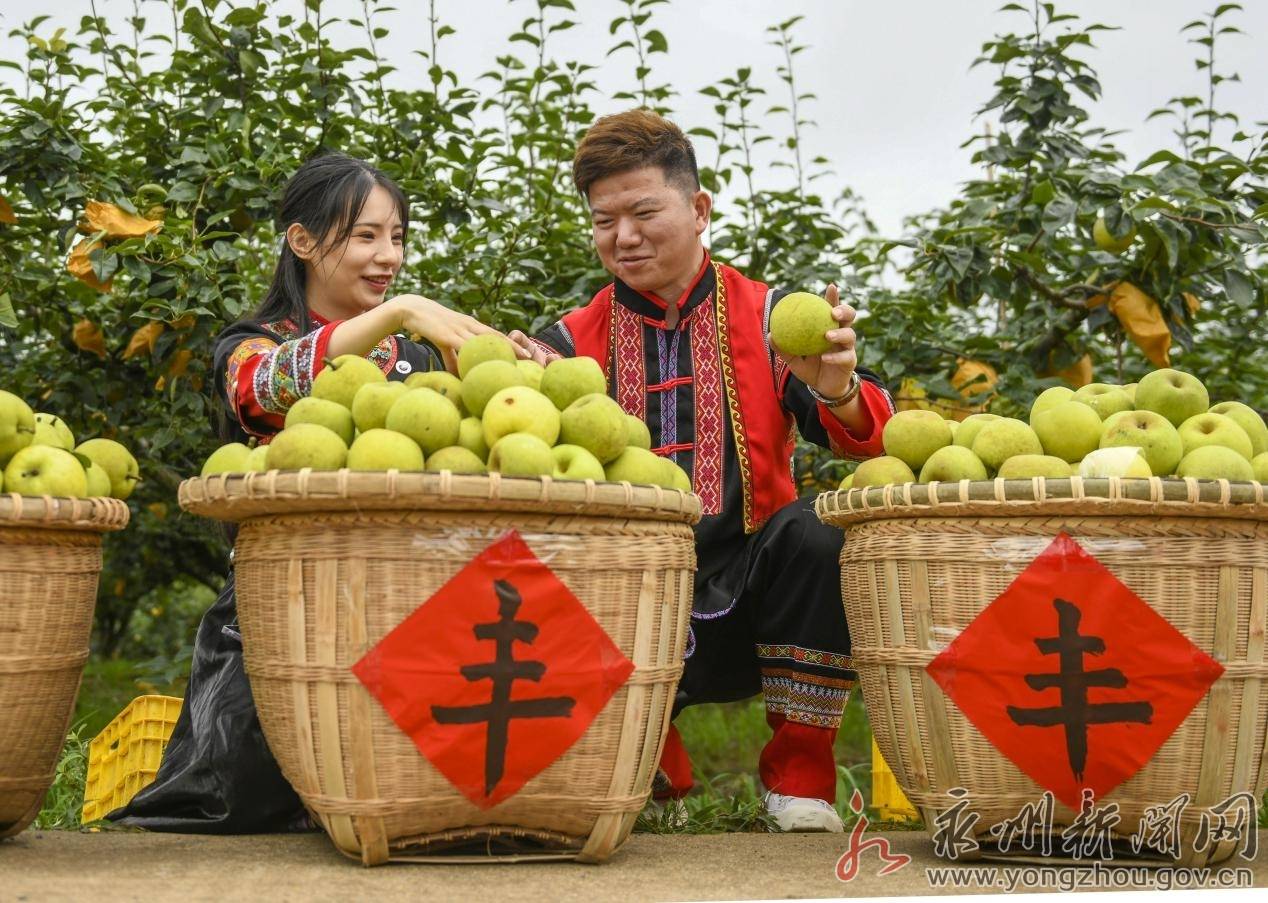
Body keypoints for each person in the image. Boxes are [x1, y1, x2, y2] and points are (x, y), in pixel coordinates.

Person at [510, 110, 895, 833]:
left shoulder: (773, 317)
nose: (623, 237)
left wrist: (837, 385)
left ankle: (801, 778)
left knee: (818, 531)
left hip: (755, 591)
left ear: (698, 208)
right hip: (630, 594)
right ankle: (651, 766)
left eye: (642, 212)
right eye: (603, 221)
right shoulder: (565, 342)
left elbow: (872, 443)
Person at [115, 153, 517, 832]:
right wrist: (403, 310)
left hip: (411, 602)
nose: (387, 255)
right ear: (302, 240)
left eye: (396, 237)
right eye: (365, 235)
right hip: (288, 612)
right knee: (244, 803)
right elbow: (258, 387)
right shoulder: (253, 343)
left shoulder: (420, 361)